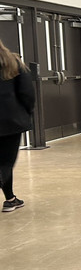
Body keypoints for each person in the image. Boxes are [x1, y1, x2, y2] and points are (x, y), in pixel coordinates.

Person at [0, 39, 35, 212]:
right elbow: (27, 93)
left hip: (11, 121)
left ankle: (10, 198)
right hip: (10, 122)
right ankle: (10, 199)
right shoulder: (13, 62)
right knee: (6, 162)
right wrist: (26, 112)